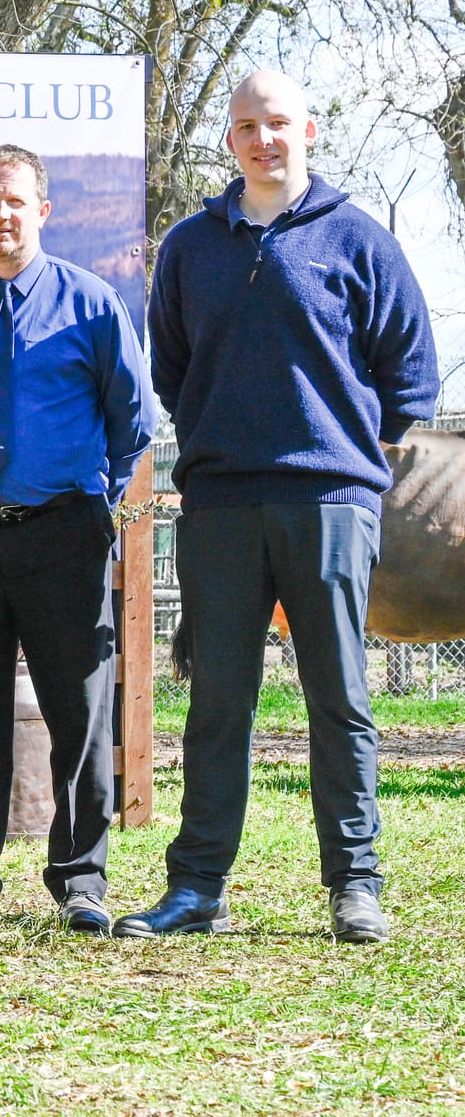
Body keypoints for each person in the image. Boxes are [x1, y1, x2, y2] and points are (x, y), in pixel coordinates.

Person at [123, 70, 438, 943]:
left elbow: (410, 377)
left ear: (309, 128)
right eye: (247, 127)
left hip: (331, 500)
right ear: (231, 140)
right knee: (219, 699)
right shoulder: (191, 245)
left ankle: (355, 885)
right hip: (222, 502)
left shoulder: (359, 240)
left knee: (339, 696)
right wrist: (229, 438)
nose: (264, 139)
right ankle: (197, 889)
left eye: (279, 124)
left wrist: (336, 448)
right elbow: (174, 370)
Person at [0, 145, 157, 934]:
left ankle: (82, 881)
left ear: (43, 211)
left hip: (63, 535)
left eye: (16, 201)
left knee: (79, 712)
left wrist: (98, 506)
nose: (2, 213)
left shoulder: (91, 305)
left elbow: (135, 419)